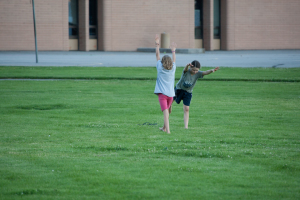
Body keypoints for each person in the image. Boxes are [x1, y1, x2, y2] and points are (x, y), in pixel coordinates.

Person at [174, 60, 219, 129]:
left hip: (188, 92)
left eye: (196, 70)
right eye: (193, 70)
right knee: (170, 102)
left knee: (186, 109)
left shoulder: (198, 73)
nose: (195, 72)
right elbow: (185, 69)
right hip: (179, 89)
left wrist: (212, 70)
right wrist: (187, 65)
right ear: (190, 68)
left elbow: (205, 72)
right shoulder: (186, 71)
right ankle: (167, 113)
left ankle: (186, 127)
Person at [154, 34, 177, 134]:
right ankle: (164, 128)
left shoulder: (160, 68)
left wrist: (157, 44)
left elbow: (157, 56)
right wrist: (173, 50)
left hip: (162, 95)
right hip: (171, 95)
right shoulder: (173, 68)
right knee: (167, 111)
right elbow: (174, 60)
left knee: (165, 112)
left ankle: (168, 131)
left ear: (163, 62)